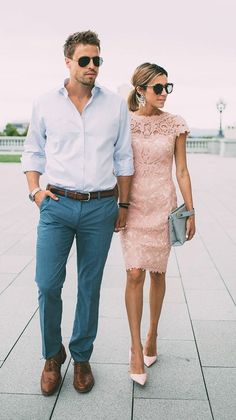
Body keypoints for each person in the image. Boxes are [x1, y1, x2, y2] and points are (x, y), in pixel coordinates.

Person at [21, 30, 133, 396]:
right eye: (84, 60)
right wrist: (36, 192)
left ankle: (81, 356)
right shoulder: (45, 102)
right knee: (47, 284)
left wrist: (124, 205)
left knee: (90, 286)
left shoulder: (115, 104)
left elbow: (123, 158)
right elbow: (33, 151)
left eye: (97, 60)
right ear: (68, 61)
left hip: (101, 206)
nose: (91, 67)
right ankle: (53, 356)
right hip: (56, 206)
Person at [120, 63, 196, 386]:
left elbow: (181, 171)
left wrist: (190, 210)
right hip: (134, 207)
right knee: (134, 272)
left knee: (158, 273)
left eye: (167, 87)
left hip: (162, 205)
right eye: (158, 88)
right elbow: (117, 164)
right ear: (140, 90)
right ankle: (136, 348)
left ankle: (152, 333)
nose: (164, 93)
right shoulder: (125, 123)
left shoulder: (176, 125)